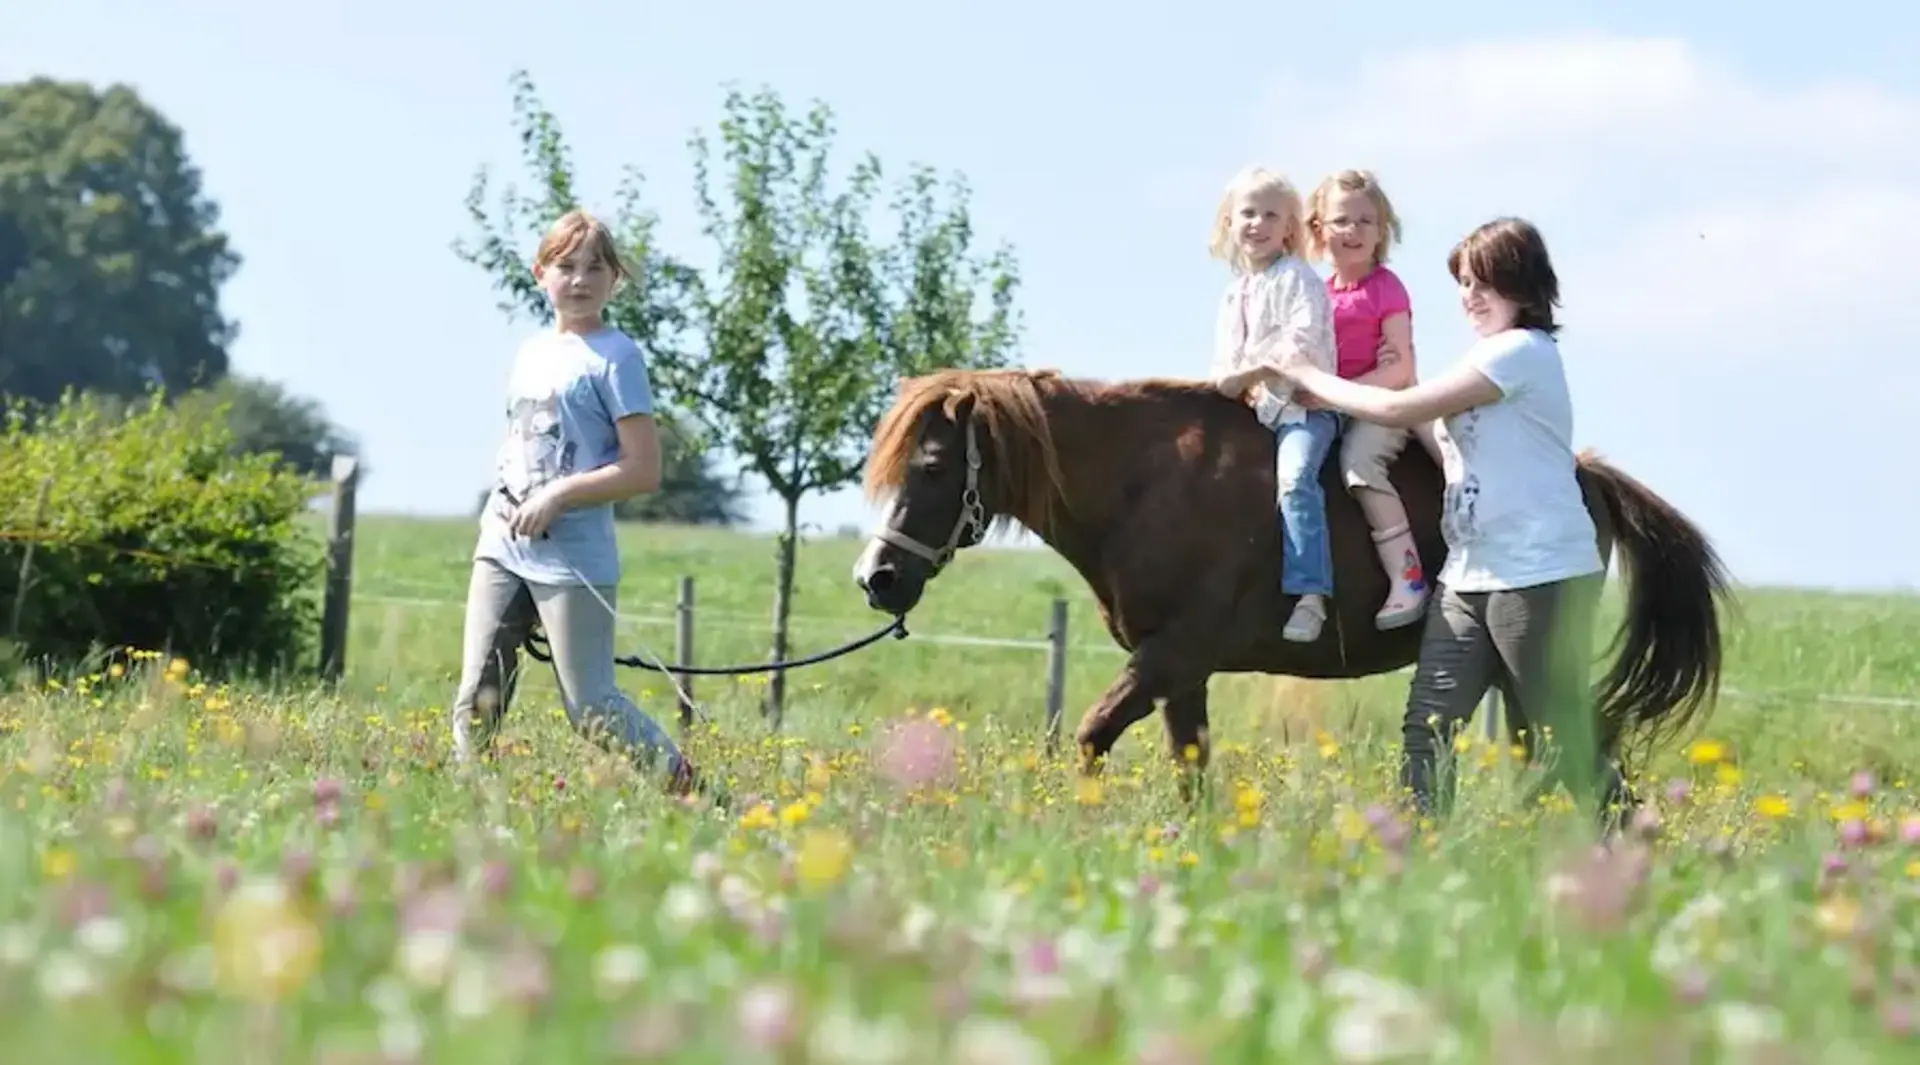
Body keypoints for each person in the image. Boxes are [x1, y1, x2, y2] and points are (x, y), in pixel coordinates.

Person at [1269, 216, 1628, 820]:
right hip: (1468, 574)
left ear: (1527, 285)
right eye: (1464, 283)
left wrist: (1313, 380)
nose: (1471, 296)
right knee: (1427, 726)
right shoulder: (1484, 357)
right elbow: (1428, 428)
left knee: (1557, 735)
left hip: (1536, 574)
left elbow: (1397, 407)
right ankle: (1420, 855)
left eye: (1486, 282)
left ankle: (1630, 835)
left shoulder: (1523, 353)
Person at [449, 208, 700, 799]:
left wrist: (559, 496)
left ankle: (686, 786)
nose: (580, 279)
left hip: (573, 558)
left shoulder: (618, 358)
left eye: (595, 267)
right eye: (566, 266)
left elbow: (642, 469)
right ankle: (468, 806)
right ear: (541, 274)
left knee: (589, 707)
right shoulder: (531, 351)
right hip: (503, 544)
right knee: (477, 692)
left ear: (616, 280)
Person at [1207, 165, 1341, 644]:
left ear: (1289, 228)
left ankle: (1311, 595)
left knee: (1294, 479)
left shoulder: (1297, 278)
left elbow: (1298, 344)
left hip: (1304, 410)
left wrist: (1251, 374)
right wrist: (1233, 381)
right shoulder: (1233, 293)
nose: (1257, 224)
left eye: (1271, 215)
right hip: (1254, 412)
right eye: (1247, 213)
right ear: (1229, 222)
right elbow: (1223, 369)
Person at [1303, 169, 1429, 632]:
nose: (1353, 231)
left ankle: (1408, 576)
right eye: (1341, 221)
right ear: (1319, 230)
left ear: (1381, 231)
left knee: (1360, 464)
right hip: (1336, 404)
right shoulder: (1316, 293)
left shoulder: (1386, 288)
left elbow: (1400, 370)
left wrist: (1340, 394)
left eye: (1365, 221)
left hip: (1384, 403)